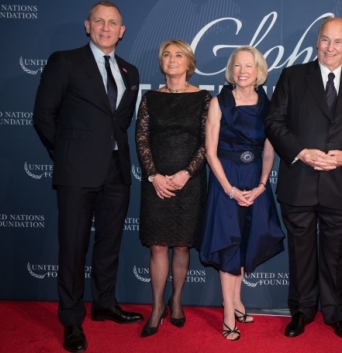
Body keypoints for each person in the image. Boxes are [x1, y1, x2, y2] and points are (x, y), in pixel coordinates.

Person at [32, 2, 143, 352]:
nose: (106, 27)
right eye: (99, 21)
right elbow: (43, 115)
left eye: (113, 23)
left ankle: (105, 304)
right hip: (77, 171)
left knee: (109, 245)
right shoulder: (65, 61)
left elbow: (119, 122)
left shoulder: (130, 70)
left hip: (116, 170)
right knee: (73, 246)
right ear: (88, 26)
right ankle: (71, 319)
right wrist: (67, 153)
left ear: (122, 31)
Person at [265, 17, 342, 340]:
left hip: (338, 184)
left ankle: (335, 313)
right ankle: (301, 311)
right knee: (300, 253)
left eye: (338, 41)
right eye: (326, 40)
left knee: (335, 253)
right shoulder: (292, 76)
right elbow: (273, 122)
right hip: (298, 181)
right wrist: (301, 152)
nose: (331, 47)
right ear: (317, 41)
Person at [199, 45, 285, 341]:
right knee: (228, 244)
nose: (243, 71)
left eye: (249, 66)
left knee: (248, 240)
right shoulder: (217, 102)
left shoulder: (267, 103)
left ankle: (235, 300)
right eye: (237, 65)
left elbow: (270, 148)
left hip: (255, 181)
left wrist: (262, 185)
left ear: (258, 71)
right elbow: (210, 152)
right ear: (231, 70)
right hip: (227, 180)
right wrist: (230, 189)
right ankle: (227, 313)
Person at [135, 39, 210, 338]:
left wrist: (186, 173)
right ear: (161, 62)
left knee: (181, 244)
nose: (172, 59)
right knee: (157, 245)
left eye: (179, 55)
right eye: (166, 54)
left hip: (188, 183)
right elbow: (141, 140)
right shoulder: (150, 98)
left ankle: (176, 300)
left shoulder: (204, 98)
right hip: (156, 184)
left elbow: (208, 142)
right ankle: (156, 306)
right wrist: (154, 175)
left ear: (189, 63)